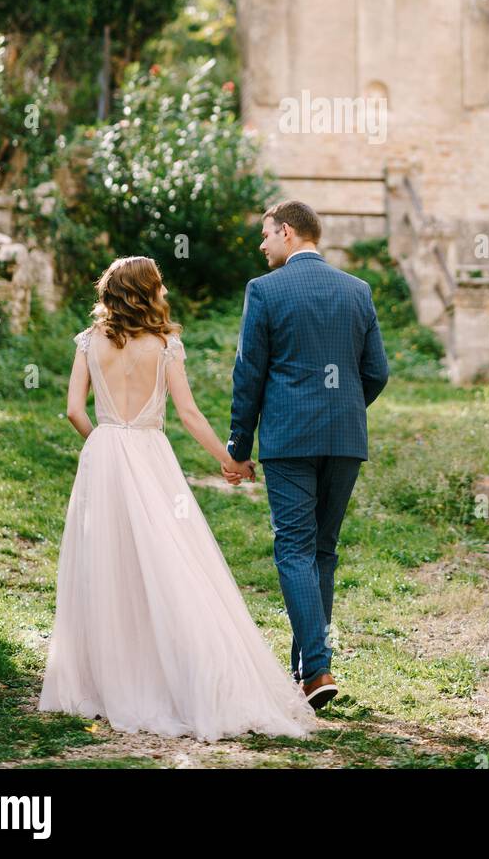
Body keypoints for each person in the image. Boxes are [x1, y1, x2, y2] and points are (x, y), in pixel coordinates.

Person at [37, 254, 319, 742]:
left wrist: (101, 444)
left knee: (105, 562)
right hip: (149, 453)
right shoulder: (166, 346)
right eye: (159, 285)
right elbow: (188, 414)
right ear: (146, 291)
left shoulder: (87, 343)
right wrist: (229, 460)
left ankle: (103, 678)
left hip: (103, 453)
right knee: (170, 555)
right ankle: (170, 669)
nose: (165, 291)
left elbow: (71, 410)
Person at [225, 200, 389, 710]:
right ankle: (308, 670)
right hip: (344, 439)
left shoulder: (265, 291)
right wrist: (343, 408)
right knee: (321, 550)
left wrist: (238, 446)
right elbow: (377, 372)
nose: (262, 244)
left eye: (267, 234)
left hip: (290, 440)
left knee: (295, 548)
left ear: (289, 233)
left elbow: (249, 374)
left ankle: (316, 668)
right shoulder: (358, 290)